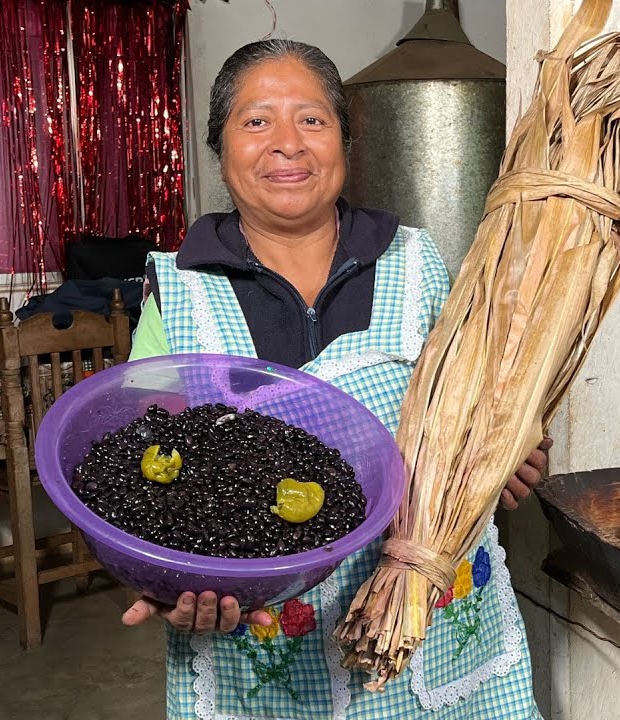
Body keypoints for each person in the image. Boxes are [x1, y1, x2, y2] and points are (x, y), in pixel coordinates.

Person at [123, 39, 548, 720]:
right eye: (257, 121)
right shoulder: (178, 291)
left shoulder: (418, 263)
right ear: (220, 145)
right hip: (262, 655)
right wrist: (166, 578)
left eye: (313, 120)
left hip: (436, 644)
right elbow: (147, 482)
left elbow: (484, 408)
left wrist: (513, 449)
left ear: (347, 139)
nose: (287, 145)